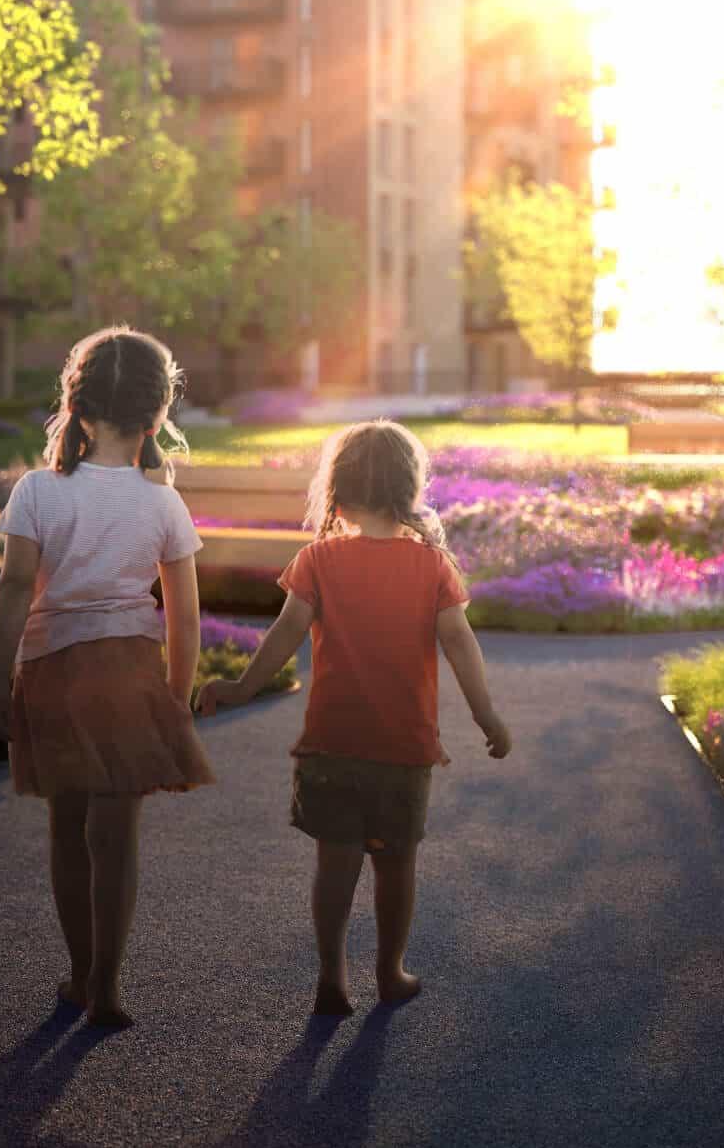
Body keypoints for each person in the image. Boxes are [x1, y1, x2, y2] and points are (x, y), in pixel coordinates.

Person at [198, 419, 512, 1017]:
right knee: (396, 868)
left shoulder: (318, 559)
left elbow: (285, 634)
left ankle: (331, 977)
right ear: (409, 488)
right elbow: (460, 645)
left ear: (337, 489)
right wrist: (486, 715)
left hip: (332, 746)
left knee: (334, 866)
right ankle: (390, 972)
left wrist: (240, 688)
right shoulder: (433, 566)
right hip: (404, 747)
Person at [0, 326, 215, 1030]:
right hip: (128, 680)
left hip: (54, 675)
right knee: (117, 842)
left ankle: (80, 974)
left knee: (67, 832)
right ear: (155, 418)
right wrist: (175, 695)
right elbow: (185, 617)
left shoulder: (36, 493)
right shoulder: (163, 504)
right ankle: (109, 986)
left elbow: (14, 591)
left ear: (77, 409)